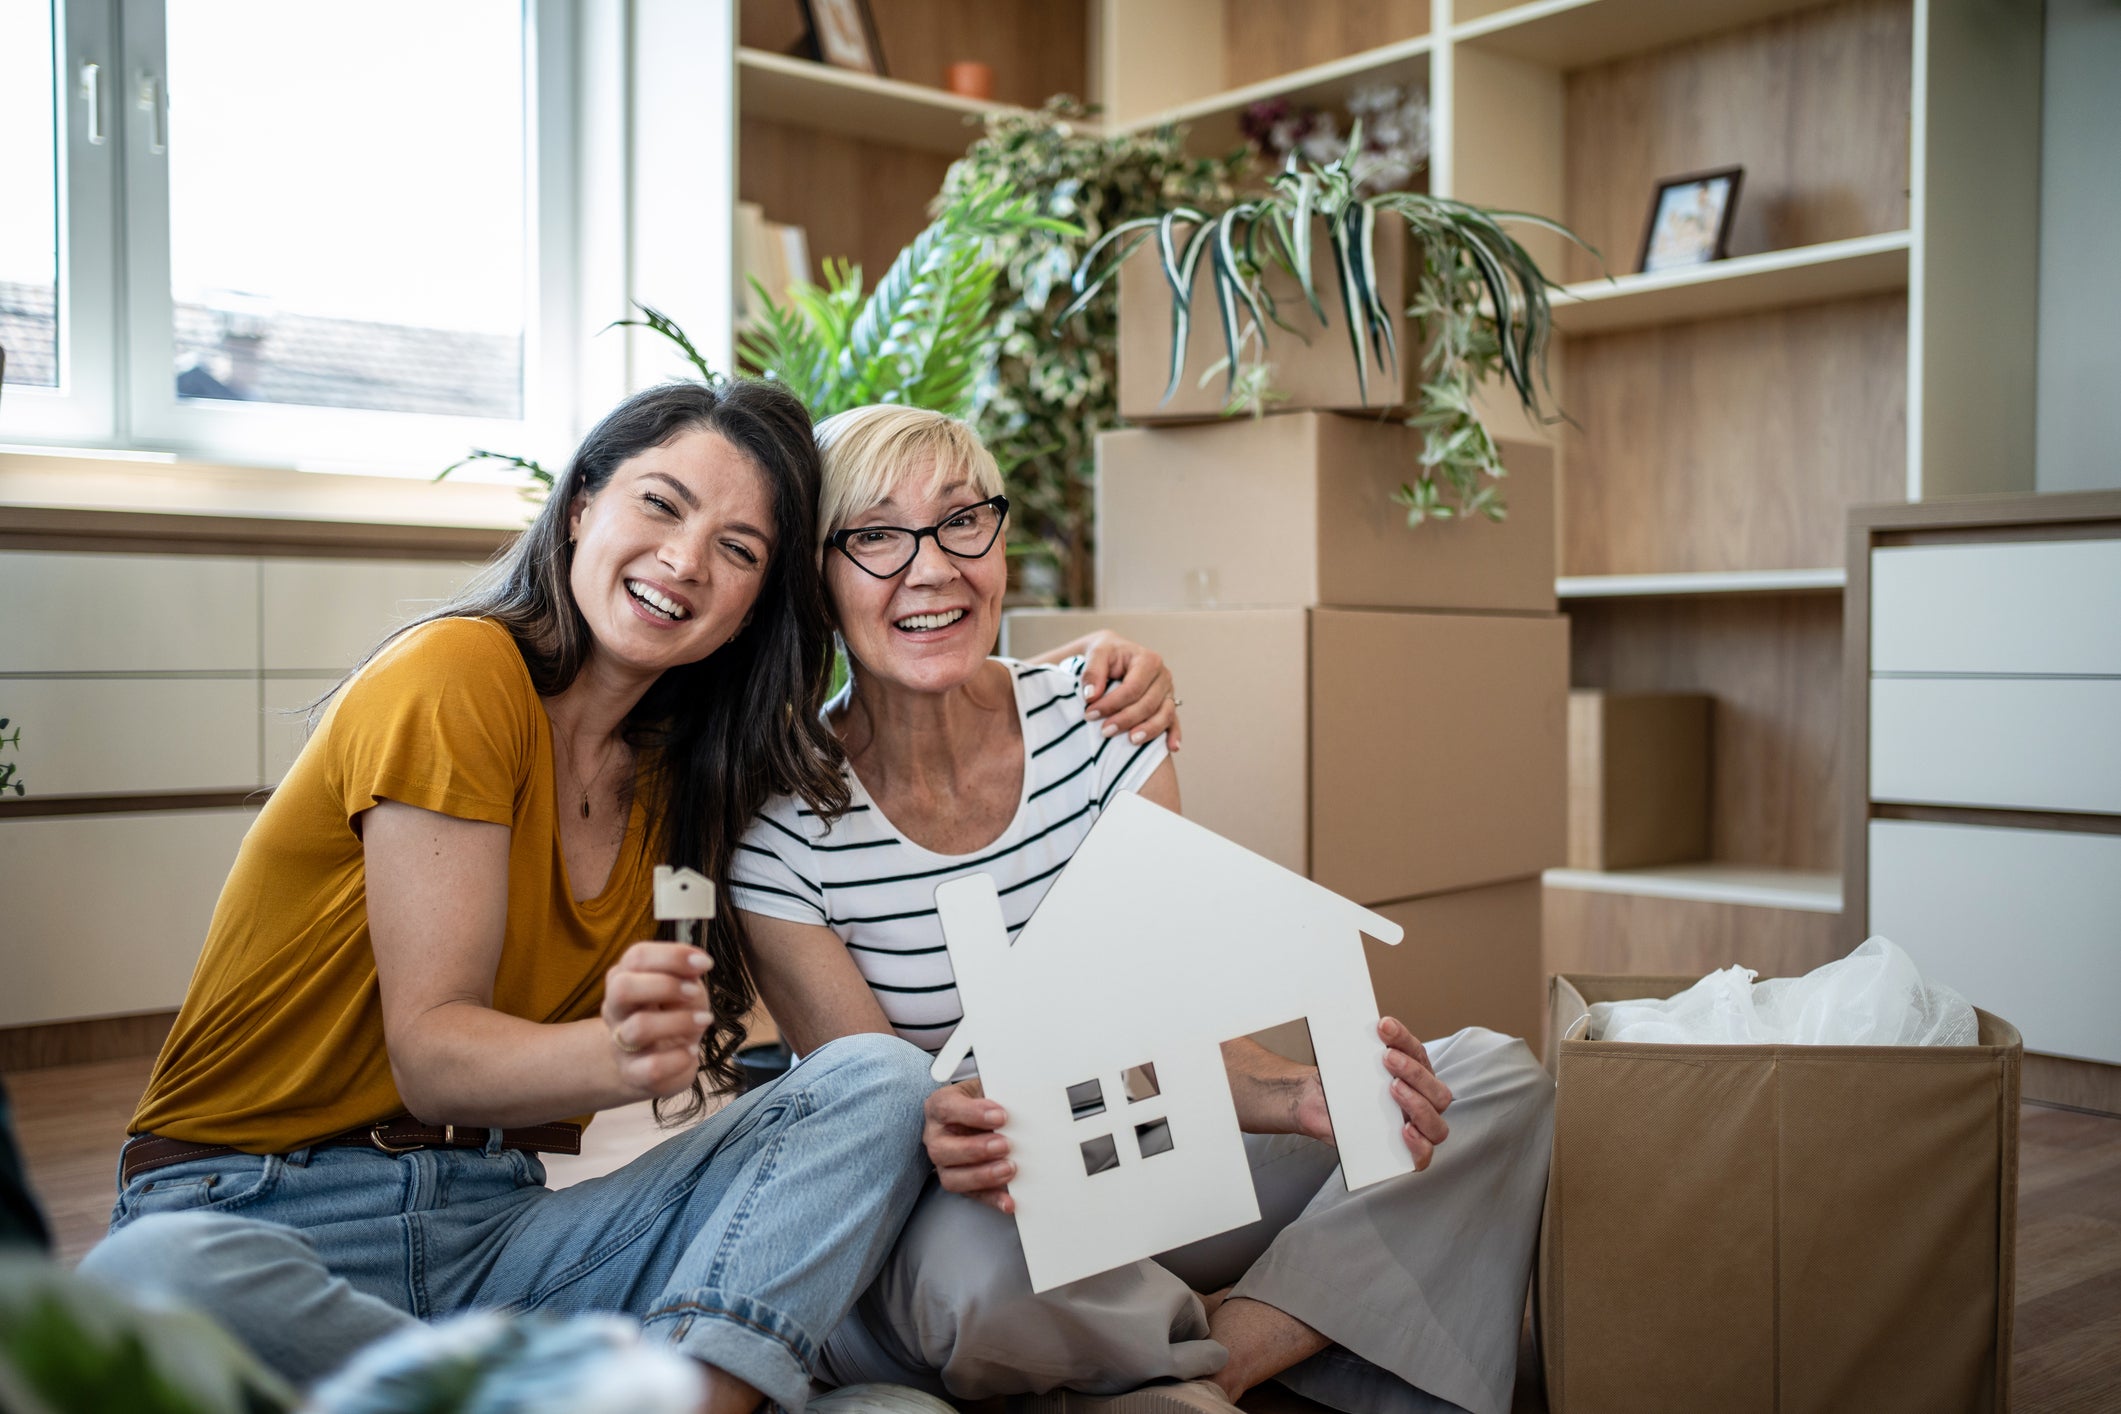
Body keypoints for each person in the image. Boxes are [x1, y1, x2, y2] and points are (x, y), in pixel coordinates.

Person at [79, 381, 952, 1414]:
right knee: (152, 1283)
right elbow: (434, 1055)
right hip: (260, 1215)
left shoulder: (687, 788)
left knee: (881, 1082)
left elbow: (866, 751)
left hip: (499, 1240)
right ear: (582, 504)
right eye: (662, 506)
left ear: (754, 607)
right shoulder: (461, 676)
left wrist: (1058, 687)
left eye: (740, 550)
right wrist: (613, 1052)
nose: (684, 561)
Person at [730, 405, 1557, 1414]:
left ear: (998, 539)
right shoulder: (783, 833)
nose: (932, 567)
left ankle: (1212, 1358)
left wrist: (1300, 1095)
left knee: (1485, 1085)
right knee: (981, 1279)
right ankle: (1257, 1340)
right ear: (818, 579)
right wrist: (952, 1127)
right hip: (970, 1211)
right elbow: (876, 1130)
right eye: (874, 538)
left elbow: (1164, 1026)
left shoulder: (1101, 721)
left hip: (1150, 1147)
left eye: (960, 522)